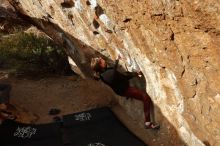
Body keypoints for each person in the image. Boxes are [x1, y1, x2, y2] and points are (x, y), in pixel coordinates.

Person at [91, 56, 160, 129]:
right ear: (101, 65)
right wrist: (136, 74)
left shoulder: (102, 74)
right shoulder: (109, 74)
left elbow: (114, 70)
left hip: (119, 89)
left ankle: (129, 95)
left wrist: (117, 60)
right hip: (125, 90)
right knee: (145, 97)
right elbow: (124, 76)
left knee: (124, 85)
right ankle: (148, 123)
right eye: (102, 60)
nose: (103, 59)